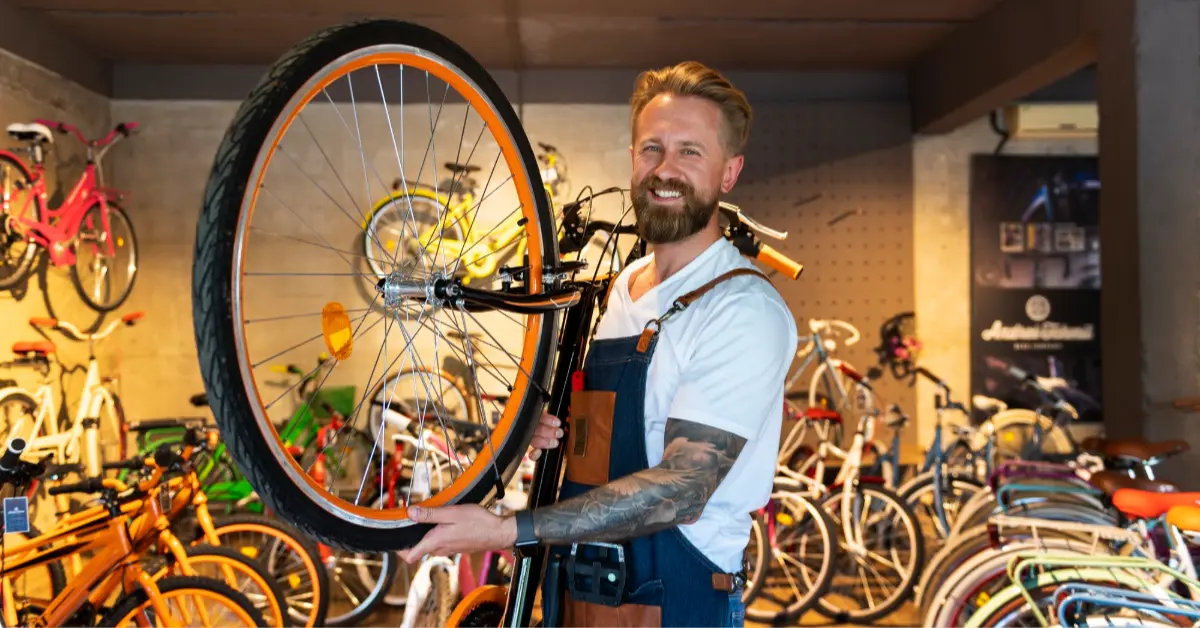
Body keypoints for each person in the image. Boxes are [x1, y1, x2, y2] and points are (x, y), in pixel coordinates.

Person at [398, 60, 797, 627]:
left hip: (674, 602)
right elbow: (607, 439)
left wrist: (509, 530)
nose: (665, 169)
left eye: (691, 151)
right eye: (651, 148)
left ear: (729, 174)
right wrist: (557, 427)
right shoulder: (620, 291)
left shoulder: (742, 309)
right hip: (579, 592)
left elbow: (683, 487)